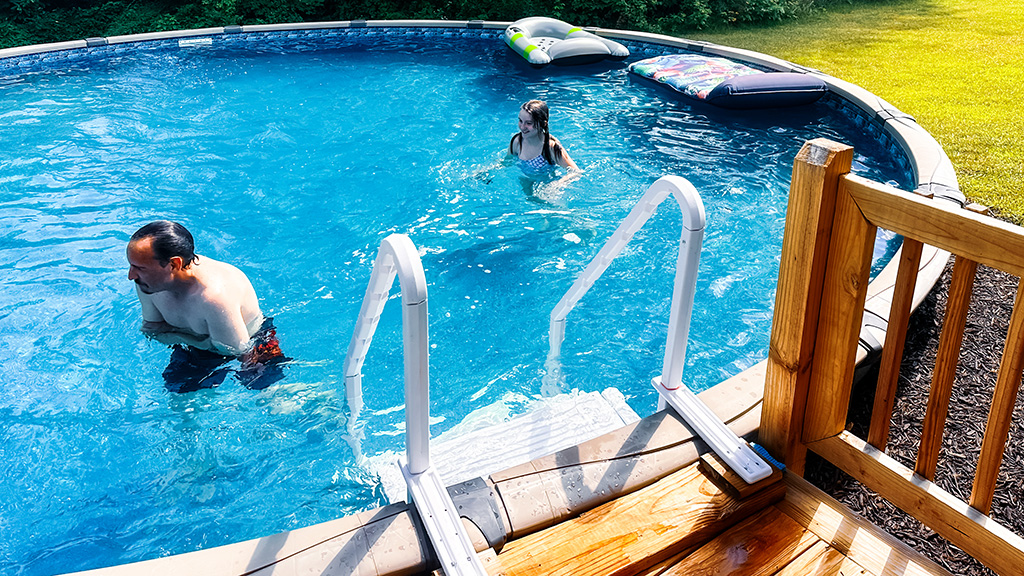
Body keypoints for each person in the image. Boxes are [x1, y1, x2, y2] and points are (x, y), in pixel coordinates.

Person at [126, 220, 286, 391]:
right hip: (201, 349)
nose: (131, 275)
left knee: (263, 389)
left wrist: (182, 336)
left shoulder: (214, 298)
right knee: (177, 392)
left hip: (253, 344)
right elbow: (152, 330)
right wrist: (198, 341)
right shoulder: (147, 283)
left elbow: (237, 351)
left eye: (139, 268)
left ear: (174, 264)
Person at [509, 99, 580, 176]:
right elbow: (507, 161)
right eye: (520, 120)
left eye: (529, 123)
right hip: (525, 181)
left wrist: (555, 185)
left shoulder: (550, 147)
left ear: (543, 124)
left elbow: (576, 172)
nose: (522, 127)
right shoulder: (517, 142)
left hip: (546, 184)